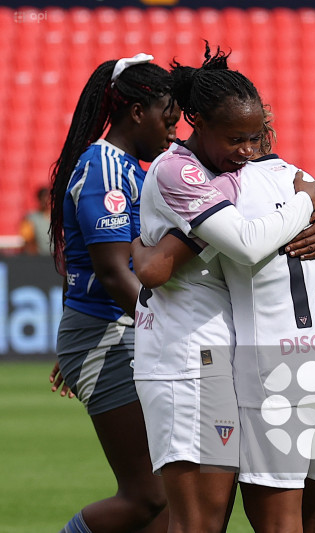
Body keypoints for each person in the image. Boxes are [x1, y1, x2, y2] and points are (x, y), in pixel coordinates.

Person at [133, 62, 315, 533]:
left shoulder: (228, 186)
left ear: (264, 131)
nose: (243, 150)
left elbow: (169, 263)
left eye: (250, 138)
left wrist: (143, 253)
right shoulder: (299, 180)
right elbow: (242, 244)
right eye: (235, 138)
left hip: (266, 368)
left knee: (222, 523)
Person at [48, 53, 179, 533]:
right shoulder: (106, 167)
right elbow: (110, 270)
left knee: (170, 500)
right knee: (150, 496)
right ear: (138, 112)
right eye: (167, 118)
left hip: (112, 333)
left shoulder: (127, 168)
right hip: (110, 334)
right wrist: (165, 330)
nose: (172, 130)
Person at [19, 186, 51, 256]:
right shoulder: (30, 219)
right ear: (39, 199)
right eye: (43, 198)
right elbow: (28, 241)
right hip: (38, 259)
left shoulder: (58, 218)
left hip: (56, 259)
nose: (46, 201)